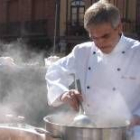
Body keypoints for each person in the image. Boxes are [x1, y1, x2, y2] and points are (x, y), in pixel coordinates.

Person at [46, 1, 140, 139]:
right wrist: (63, 93)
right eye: (94, 37)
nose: (100, 43)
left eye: (105, 36)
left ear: (119, 27)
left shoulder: (137, 52)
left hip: (130, 130)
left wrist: (137, 116)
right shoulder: (82, 51)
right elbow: (55, 70)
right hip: (90, 128)